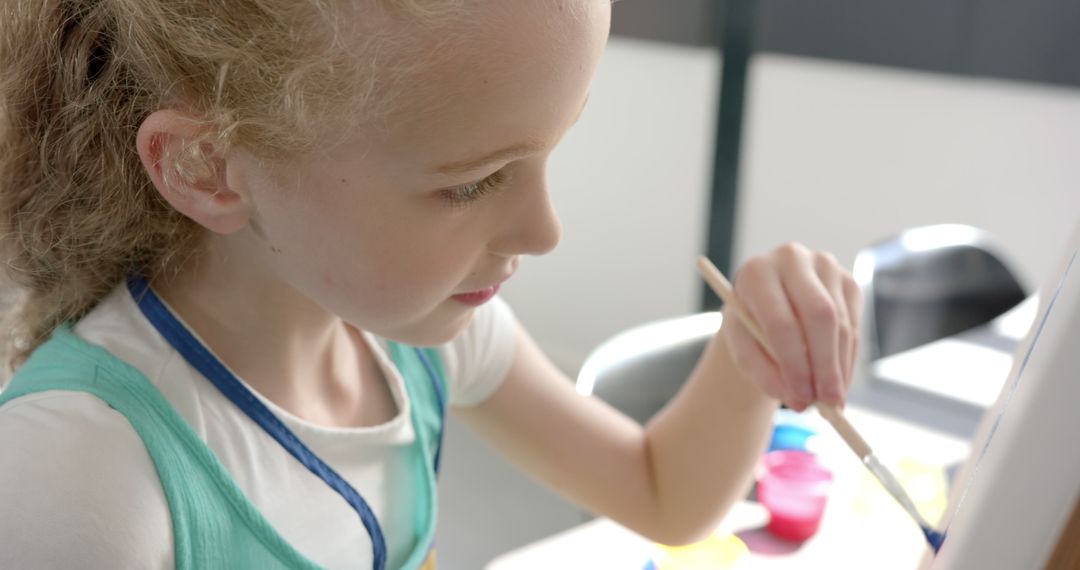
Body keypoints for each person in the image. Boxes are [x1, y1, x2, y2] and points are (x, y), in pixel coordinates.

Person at [0, 1, 861, 568]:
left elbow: (664, 494)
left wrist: (750, 356)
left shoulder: (414, 337)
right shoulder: (83, 480)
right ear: (206, 167)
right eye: (473, 182)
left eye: (549, 150)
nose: (546, 231)